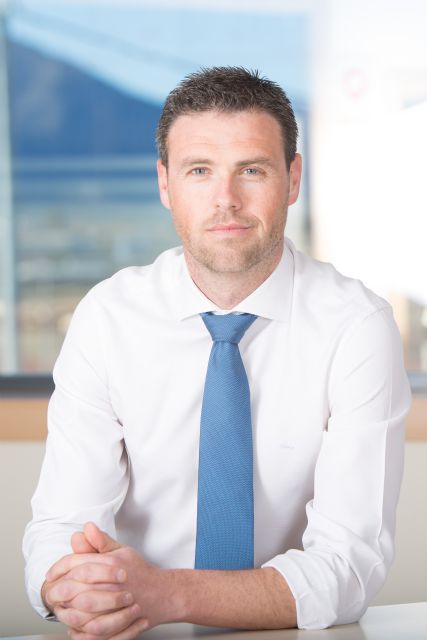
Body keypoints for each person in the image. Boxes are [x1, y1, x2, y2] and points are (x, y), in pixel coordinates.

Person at [23, 66, 411, 640]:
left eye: (251, 170)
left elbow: (348, 568)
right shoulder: (107, 318)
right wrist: (71, 586)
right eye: (199, 171)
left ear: (293, 178)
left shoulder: (356, 326)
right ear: (165, 184)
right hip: (135, 628)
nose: (225, 200)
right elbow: (61, 526)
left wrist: (168, 593)